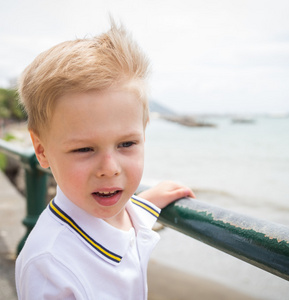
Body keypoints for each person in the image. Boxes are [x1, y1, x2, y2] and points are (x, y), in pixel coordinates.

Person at [15, 20, 195, 300]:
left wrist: (149, 201)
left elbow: (124, 218)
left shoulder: (119, 213)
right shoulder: (51, 266)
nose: (109, 169)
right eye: (84, 149)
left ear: (144, 132)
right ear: (41, 150)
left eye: (127, 144)